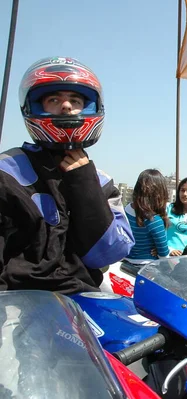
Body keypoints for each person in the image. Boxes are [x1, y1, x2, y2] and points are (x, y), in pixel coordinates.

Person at [0, 57, 134, 294]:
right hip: (18, 302)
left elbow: (108, 253)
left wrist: (83, 182)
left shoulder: (100, 181)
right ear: (35, 106)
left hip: (81, 300)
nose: (66, 107)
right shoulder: (8, 171)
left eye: (75, 100)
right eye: (54, 99)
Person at [124, 169, 170, 263]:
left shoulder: (125, 211)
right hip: (147, 267)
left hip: (123, 262)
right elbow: (164, 254)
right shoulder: (154, 220)